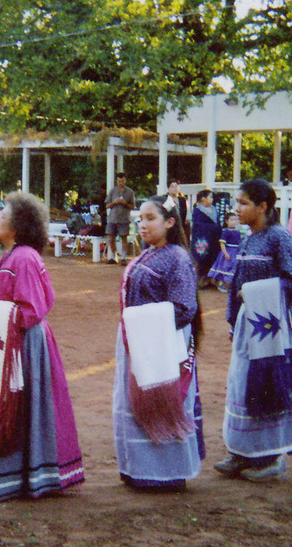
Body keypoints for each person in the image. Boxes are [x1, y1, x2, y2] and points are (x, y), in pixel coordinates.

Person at [0, 192, 85, 501]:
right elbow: (10, 301)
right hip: (7, 346)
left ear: (17, 224)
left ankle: (23, 475)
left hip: (23, 348)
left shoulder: (25, 257)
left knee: (20, 407)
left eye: (2, 215)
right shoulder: (10, 256)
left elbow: (32, 309)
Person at [215, 178, 292, 482]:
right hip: (249, 324)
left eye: (243, 203)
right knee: (242, 383)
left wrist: (256, 293)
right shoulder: (247, 238)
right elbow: (236, 286)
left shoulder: (278, 237)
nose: (236, 209)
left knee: (266, 384)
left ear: (263, 206)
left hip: (272, 328)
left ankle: (271, 457)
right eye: (236, 203)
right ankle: (242, 453)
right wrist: (233, 319)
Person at [112, 194, 204, 490]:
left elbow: (185, 309)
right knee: (137, 402)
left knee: (162, 402)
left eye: (150, 218)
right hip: (140, 341)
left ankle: (165, 473)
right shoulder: (147, 254)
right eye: (140, 218)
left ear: (170, 222)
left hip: (162, 346)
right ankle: (140, 469)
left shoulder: (177, 258)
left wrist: (144, 325)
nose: (142, 224)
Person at [190, 189, 219, 288]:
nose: (212, 199)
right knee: (202, 260)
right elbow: (198, 225)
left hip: (214, 238)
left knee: (213, 259)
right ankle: (201, 282)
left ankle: (211, 280)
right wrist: (211, 228)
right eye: (210, 197)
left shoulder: (214, 209)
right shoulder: (198, 210)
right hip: (203, 239)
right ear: (203, 198)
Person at [104, 173, 136, 265]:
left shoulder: (130, 192)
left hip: (124, 218)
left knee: (124, 238)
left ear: (125, 181)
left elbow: (133, 206)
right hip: (113, 218)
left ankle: (123, 258)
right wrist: (114, 202)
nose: (120, 183)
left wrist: (125, 203)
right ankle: (114, 257)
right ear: (116, 181)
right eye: (119, 181)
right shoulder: (113, 191)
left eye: (122, 181)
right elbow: (107, 205)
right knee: (110, 238)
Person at [207, 211, 242, 291]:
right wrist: (225, 253)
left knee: (234, 268)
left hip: (236, 252)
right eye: (232, 220)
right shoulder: (226, 231)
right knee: (225, 268)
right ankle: (222, 284)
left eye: (235, 220)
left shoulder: (237, 232)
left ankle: (230, 285)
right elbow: (222, 244)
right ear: (226, 221)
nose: (234, 222)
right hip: (228, 251)